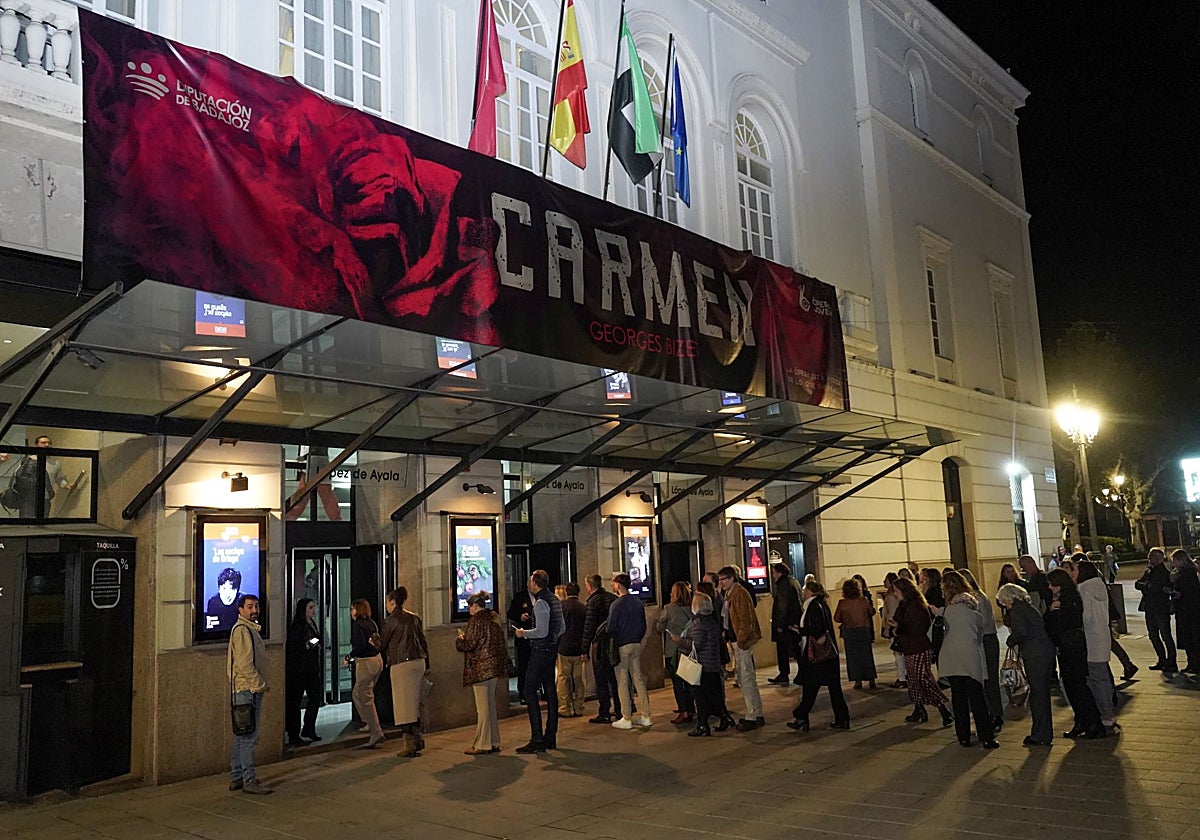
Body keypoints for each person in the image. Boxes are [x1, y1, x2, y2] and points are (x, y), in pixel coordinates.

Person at [938, 572, 998, 749]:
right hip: (970, 658)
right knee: (977, 699)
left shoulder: (945, 612)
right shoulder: (974, 613)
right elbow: (980, 633)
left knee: (958, 699)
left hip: (951, 658)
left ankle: (963, 736)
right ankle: (986, 737)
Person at [1044, 569, 1105, 739]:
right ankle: (1083, 722)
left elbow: (1058, 624)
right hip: (1071, 646)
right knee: (1074, 686)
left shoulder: (1066, 601)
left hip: (1070, 648)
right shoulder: (1069, 598)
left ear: (1059, 585)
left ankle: (1091, 723)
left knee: (1076, 686)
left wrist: (1051, 612)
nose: (1049, 587)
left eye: (1052, 584)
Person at [998, 583, 1056, 746]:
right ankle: (1044, 733)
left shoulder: (1016, 610)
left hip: (1035, 654)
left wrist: (1011, 640)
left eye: (1004, 602)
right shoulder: (1028, 607)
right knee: (1042, 694)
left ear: (1009, 598)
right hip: (1044, 651)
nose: (1005, 605)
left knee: (1038, 695)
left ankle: (1039, 734)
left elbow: (1021, 632)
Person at [789, 579, 851, 732]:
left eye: (805, 590)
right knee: (831, 688)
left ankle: (801, 716)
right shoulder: (821, 604)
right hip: (827, 655)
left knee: (811, 686)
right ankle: (841, 718)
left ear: (810, 592)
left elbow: (817, 629)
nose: (803, 593)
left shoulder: (813, 606)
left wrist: (801, 631)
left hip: (819, 654)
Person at [889, 577, 953, 727]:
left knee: (923, 678)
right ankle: (919, 708)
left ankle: (943, 709)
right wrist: (895, 625)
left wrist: (899, 627)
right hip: (909, 647)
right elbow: (901, 621)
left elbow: (918, 627)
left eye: (896, 591)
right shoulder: (905, 604)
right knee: (912, 679)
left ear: (904, 590)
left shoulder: (916, 605)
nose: (895, 594)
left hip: (919, 647)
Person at [455, 590, 512, 755]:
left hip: (480, 669)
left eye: (470, 606)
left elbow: (469, 644)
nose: (469, 609)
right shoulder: (493, 619)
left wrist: (460, 640)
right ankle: (494, 741)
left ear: (475, 606)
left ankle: (482, 743)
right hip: (493, 669)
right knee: (490, 706)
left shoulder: (476, 621)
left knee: (483, 708)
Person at [377, 586, 430, 757]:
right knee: (415, 703)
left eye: (387, 602)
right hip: (418, 662)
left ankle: (409, 744)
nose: (386, 606)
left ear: (393, 602)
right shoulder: (414, 618)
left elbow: (382, 644)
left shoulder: (391, 620)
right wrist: (427, 664)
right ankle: (418, 738)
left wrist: (374, 640)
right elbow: (423, 641)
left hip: (401, 664)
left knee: (403, 706)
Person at [515, 570, 564, 752]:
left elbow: (541, 631)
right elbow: (562, 627)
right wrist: (554, 640)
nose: (528, 583)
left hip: (541, 650)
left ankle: (537, 738)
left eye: (530, 580)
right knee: (550, 691)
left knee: (529, 690)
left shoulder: (541, 602)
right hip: (551, 649)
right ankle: (550, 736)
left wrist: (523, 633)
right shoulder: (555, 600)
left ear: (535, 583)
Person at [227, 594, 271, 794]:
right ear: (240, 609)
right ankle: (249, 780)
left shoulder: (246, 629)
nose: (254, 610)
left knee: (241, 736)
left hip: (243, 689)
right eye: (250, 607)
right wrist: (258, 684)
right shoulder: (243, 630)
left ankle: (237, 777)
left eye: (256, 606)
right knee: (248, 737)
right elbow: (245, 664)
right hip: (247, 690)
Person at [672, 592, 732, 736]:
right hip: (712, 664)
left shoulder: (698, 623)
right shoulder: (711, 621)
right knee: (714, 695)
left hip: (702, 666)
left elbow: (696, 645)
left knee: (700, 697)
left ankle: (703, 725)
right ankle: (725, 717)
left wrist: (679, 641)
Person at [718, 565, 764, 731]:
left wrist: (741, 639)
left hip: (741, 642)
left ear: (732, 578)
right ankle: (756, 713)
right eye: (720, 580)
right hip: (735, 640)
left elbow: (745, 619)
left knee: (746, 678)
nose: (721, 583)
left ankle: (752, 715)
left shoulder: (739, 594)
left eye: (724, 579)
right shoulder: (729, 594)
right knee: (746, 677)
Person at [957, 567, 1003, 732]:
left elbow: (980, 622)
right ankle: (990, 713)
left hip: (985, 640)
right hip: (981, 639)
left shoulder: (977, 598)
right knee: (982, 680)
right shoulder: (975, 597)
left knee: (989, 680)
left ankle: (996, 714)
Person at [1076, 560, 1119, 731]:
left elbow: (1085, 616)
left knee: (1096, 677)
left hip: (1091, 637)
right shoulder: (1099, 585)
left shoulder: (1084, 589)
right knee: (1103, 675)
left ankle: (1105, 712)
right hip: (1102, 634)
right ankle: (1108, 709)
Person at [607, 572, 652, 731]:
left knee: (623, 680)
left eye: (613, 583)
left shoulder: (616, 604)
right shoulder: (637, 602)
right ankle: (646, 715)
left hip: (622, 645)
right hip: (636, 643)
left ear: (618, 585)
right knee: (638, 679)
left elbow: (610, 628)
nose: (612, 585)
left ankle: (626, 717)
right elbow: (643, 624)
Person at [0, 434, 74, 518]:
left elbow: (59, 478)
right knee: (26, 521)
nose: (47, 445)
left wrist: (66, 485)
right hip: (27, 498)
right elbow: (17, 476)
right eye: (43, 442)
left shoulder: (55, 463)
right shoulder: (28, 460)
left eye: (49, 443)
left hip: (45, 498)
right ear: (36, 445)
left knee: (43, 520)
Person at [580, 573, 621, 724]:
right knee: (615, 678)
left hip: (600, 644)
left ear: (589, 586)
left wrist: (584, 649)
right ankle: (620, 709)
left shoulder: (593, 602)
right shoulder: (612, 598)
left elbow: (589, 627)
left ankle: (604, 711)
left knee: (601, 679)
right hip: (614, 643)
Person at [345, 598, 385, 749]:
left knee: (364, 697)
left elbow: (360, 647)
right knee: (359, 694)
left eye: (352, 608)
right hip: (377, 660)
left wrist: (349, 657)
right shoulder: (372, 623)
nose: (350, 612)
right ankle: (369, 722)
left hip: (366, 663)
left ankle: (376, 731)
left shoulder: (358, 625)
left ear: (357, 610)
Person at [655, 580, 695, 725]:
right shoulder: (693, 607)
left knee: (678, 683)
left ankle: (683, 711)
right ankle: (691, 708)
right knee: (689, 681)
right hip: (689, 649)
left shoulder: (668, 608)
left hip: (673, 651)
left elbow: (660, 628)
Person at [284, 597, 323, 747]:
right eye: (310, 608)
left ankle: (309, 728)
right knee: (295, 701)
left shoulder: (311, 623)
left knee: (315, 698)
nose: (314, 611)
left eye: (314, 607)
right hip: (299, 670)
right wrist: (310, 644)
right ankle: (294, 733)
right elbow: (297, 647)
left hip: (311, 669)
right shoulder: (297, 627)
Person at [1135, 548, 1177, 675]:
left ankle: (1171, 662)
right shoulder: (1149, 571)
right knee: (1153, 635)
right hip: (1150, 608)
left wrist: (1146, 586)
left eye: (1152, 556)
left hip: (1160, 608)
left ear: (1159, 558)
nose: (1149, 558)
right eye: (1149, 556)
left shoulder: (1163, 572)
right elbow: (1138, 584)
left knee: (1165, 635)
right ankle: (1162, 659)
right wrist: (1146, 586)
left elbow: (1156, 588)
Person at [834, 577, 877, 690]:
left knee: (853, 657)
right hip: (864, 630)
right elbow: (871, 612)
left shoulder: (842, 603)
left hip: (849, 631)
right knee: (866, 655)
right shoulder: (863, 601)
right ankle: (871, 679)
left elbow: (837, 618)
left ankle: (858, 681)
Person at [556, 581, 588, 718]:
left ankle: (564, 708)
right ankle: (578, 707)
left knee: (563, 678)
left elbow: (557, 627)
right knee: (579, 679)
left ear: (566, 592)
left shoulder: (561, 607)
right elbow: (586, 629)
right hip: (579, 649)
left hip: (564, 647)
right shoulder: (583, 608)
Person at [768, 562, 803, 685]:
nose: (773, 576)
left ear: (779, 572)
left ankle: (784, 674)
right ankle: (801, 673)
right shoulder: (794, 582)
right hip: (795, 621)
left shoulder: (783, 585)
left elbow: (782, 606)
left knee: (782, 649)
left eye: (774, 573)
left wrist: (780, 624)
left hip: (786, 623)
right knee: (797, 648)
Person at [1169, 549, 1200, 677]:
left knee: (1192, 637)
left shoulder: (1188, 573)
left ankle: (1195, 664)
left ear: (1181, 560)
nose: (1173, 563)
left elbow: (1193, 591)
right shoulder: (1179, 572)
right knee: (1187, 637)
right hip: (1183, 609)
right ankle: (1191, 663)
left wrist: (1179, 594)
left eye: (1175, 560)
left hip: (1190, 610)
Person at [506, 586, 535, 702]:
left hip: (538, 637)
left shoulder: (542, 597)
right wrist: (520, 617)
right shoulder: (520, 597)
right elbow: (510, 613)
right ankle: (523, 693)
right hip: (524, 638)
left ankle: (541, 691)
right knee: (524, 666)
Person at [880, 572, 907, 688]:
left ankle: (902, 678)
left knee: (898, 653)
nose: (883, 582)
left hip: (894, 626)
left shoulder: (891, 596)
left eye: (886, 580)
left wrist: (887, 628)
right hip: (897, 625)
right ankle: (904, 676)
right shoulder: (892, 595)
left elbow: (891, 613)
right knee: (900, 653)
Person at [206, 567, 242, 633]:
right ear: (219, 589)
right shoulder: (213, 602)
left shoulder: (244, 600)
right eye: (224, 588)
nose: (227, 594)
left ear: (237, 590)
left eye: (232, 589)